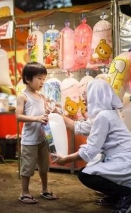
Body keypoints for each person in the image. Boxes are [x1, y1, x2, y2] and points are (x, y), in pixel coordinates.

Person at [53, 79, 131, 213]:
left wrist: (66, 159)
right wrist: (58, 114)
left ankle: (126, 194)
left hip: (124, 161)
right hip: (123, 158)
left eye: (86, 94)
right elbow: (77, 127)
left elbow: (90, 150)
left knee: (86, 175)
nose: (84, 98)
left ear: (96, 94)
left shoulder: (103, 117)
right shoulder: (108, 113)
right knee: (94, 168)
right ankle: (116, 196)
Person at [16, 62, 57, 204]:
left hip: (43, 138)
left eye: (44, 79)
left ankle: (45, 189)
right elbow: (18, 116)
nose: (42, 82)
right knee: (27, 167)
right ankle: (25, 193)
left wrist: (51, 109)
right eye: (39, 78)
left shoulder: (41, 96)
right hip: (29, 140)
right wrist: (37, 118)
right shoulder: (23, 96)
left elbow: (44, 112)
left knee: (44, 166)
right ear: (28, 78)